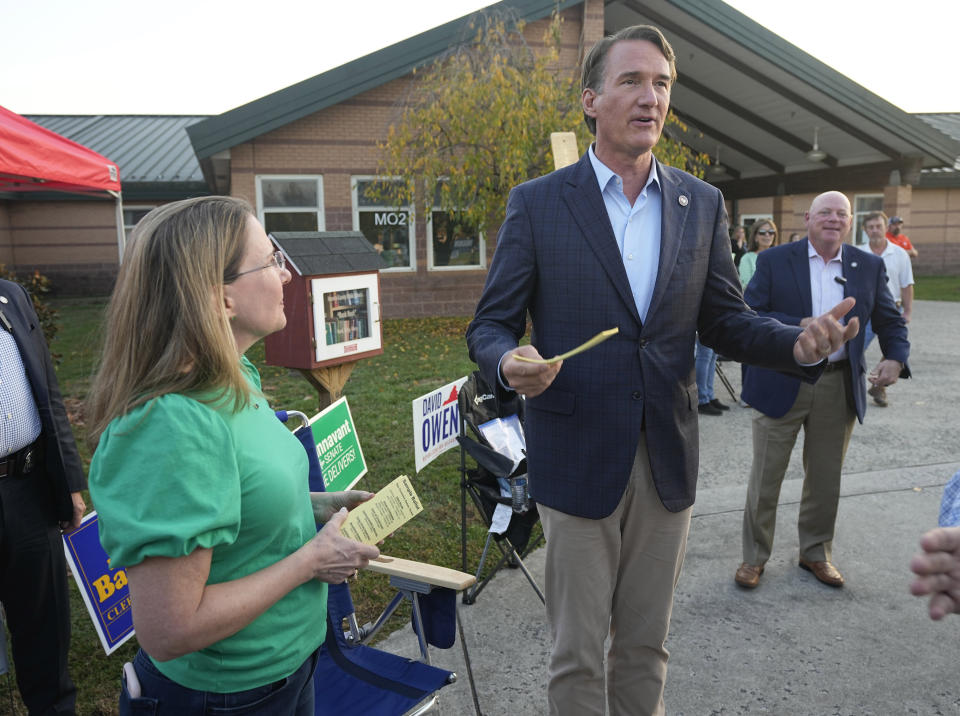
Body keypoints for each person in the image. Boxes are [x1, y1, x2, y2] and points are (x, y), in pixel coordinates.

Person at [466, 25, 858, 716]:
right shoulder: (539, 203)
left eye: (662, 84)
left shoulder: (700, 203)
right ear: (590, 99)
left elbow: (725, 320)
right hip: (576, 456)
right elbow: (490, 325)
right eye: (631, 81)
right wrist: (508, 360)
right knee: (578, 654)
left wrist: (796, 345)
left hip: (666, 458)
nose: (651, 97)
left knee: (646, 647)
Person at [86, 196, 380, 714]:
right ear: (220, 299)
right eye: (270, 260)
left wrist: (312, 505)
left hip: (287, 669)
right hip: (225, 696)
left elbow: (230, 494)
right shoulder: (170, 425)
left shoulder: (236, 375)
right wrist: (311, 561)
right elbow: (170, 630)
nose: (286, 274)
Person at [735, 191, 910, 591]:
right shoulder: (775, 260)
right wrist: (801, 323)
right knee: (766, 476)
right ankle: (754, 557)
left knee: (826, 477)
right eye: (825, 212)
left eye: (841, 214)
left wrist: (895, 358)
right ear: (808, 218)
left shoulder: (867, 265)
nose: (833, 219)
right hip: (783, 377)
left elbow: (889, 319)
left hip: (837, 384)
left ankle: (815, 552)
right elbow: (749, 314)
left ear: (850, 222)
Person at [0, 279, 86, 715]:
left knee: (46, 634)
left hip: (28, 488)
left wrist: (69, 480)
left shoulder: (10, 295)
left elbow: (48, 394)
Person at [862, 210, 914, 407]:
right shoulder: (858, 252)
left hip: (892, 310)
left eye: (879, 226)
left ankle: (879, 386)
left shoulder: (899, 254)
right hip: (865, 311)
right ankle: (850, 386)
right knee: (854, 349)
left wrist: (907, 311)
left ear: (886, 228)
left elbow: (907, 284)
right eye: (871, 227)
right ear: (865, 230)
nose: (875, 230)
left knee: (893, 350)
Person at [738, 218, 778, 289]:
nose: (767, 235)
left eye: (771, 232)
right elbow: (747, 286)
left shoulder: (779, 257)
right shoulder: (747, 259)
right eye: (762, 232)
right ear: (755, 237)